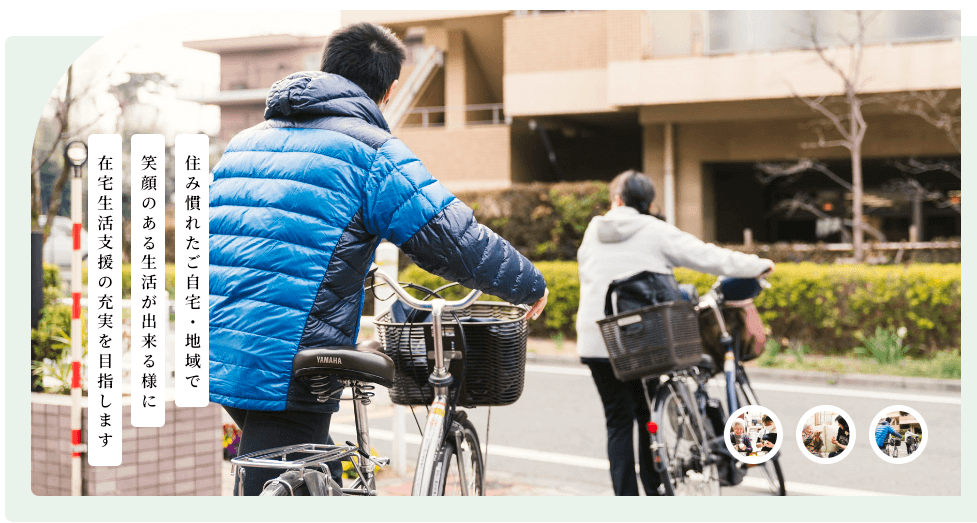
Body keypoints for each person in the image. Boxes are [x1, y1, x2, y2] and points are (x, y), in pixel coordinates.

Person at [209, 22, 549, 495]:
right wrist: (529, 283)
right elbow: (451, 237)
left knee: (302, 471)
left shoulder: (240, 145)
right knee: (280, 478)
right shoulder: (371, 151)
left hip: (219, 345)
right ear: (389, 91)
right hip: (289, 360)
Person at [575, 170, 774, 496]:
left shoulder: (592, 231)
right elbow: (708, 257)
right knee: (647, 419)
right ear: (648, 203)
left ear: (616, 200)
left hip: (599, 339)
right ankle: (657, 493)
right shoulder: (654, 229)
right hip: (643, 340)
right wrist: (756, 264)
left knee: (618, 422)